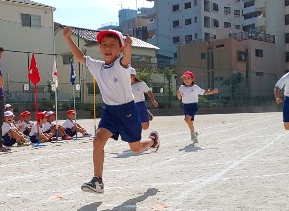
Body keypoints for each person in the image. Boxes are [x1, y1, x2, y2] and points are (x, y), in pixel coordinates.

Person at [63, 26, 160, 193]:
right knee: (98, 140)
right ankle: (97, 181)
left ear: (121, 48)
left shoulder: (121, 66)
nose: (107, 47)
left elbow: (126, 60)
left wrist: (129, 49)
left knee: (135, 148)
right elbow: (80, 57)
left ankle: (153, 141)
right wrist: (67, 38)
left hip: (127, 111)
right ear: (100, 48)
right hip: (110, 111)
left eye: (113, 44)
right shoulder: (97, 66)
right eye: (104, 44)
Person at [176, 71, 219, 143]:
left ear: (192, 79)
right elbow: (179, 98)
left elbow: (204, 92)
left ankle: (192, 134)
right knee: (189, 121)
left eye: (188, 78)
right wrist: (178, 94)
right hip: (185, 106)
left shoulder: (196, 88)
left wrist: (213, 92)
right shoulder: (181, 87)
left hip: (193, 105)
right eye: (184, 78)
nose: (186, 80)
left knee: (187, 119)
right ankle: (194, 133)